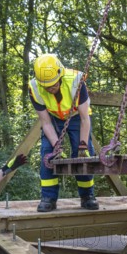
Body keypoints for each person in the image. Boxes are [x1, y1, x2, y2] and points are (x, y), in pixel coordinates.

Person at [29, 53, 98, 212]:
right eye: (47, 86)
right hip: (52, 118)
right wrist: (56, 145)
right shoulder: (34, 88)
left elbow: (84, 118)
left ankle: (87, 196)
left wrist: (82, 145)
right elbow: (45, 122)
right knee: (48, 153)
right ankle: (48, 198)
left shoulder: (76, 81)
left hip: (76, 116)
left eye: (53, 84)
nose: (51, 88)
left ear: (60, 74)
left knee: (83, 155)